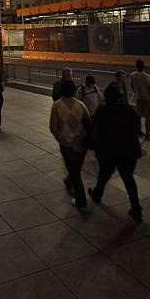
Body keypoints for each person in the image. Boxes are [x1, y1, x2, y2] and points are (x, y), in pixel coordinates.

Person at [89, 83, 143, 221]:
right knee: (128, 178)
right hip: (128, 151)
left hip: (109, 151)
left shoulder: (102, 110)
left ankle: (97, 194)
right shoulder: (128, 110)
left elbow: (95, 129)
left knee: (104, 174)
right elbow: (137, 128)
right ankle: (136, 207)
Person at [49, 79, 91, 210]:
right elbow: (88, 124)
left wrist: (60, 139)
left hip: (67, 144)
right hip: (82, 144)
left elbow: (53, 127)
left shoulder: (56, 105)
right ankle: (69, 180)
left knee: (74, 172)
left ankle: (81, 201)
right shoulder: (81, 105)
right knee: (76, 168)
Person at [130, 59, 150, 140]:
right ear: (144, 66)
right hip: (146, 98)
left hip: (138, 98)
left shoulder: (132, 75)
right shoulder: (146, 76)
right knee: (148, 117)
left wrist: (135, 92)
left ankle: (138, 131)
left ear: (136, 66)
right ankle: (147, 134)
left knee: (139, 116)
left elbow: (132, 85)